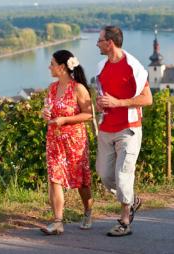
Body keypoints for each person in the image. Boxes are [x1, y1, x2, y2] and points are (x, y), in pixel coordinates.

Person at [95, 25, 152, 237]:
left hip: (129, 129)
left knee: (123, 175)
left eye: (100, 40)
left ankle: (125, 221)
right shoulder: (101, 66)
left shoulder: (133, 67)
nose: (97, 44)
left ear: (110, 43)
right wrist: (100, 103)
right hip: (106, 128)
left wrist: (118, 103)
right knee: (105, 175)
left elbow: (147, 99)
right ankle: (131, 199)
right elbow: (102, 95)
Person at [41, 49, 93, 235]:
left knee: (81, 181)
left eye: (52, 64)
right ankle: (57, 222)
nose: (49, 67)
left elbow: (88, 114)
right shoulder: (52, 88)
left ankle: (87, 211)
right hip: (54, 139)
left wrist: (65, 120)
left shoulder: (78, 88)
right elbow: (48, 109)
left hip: (75, 140)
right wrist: (45, 113)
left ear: (62, 67)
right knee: (54, 177)